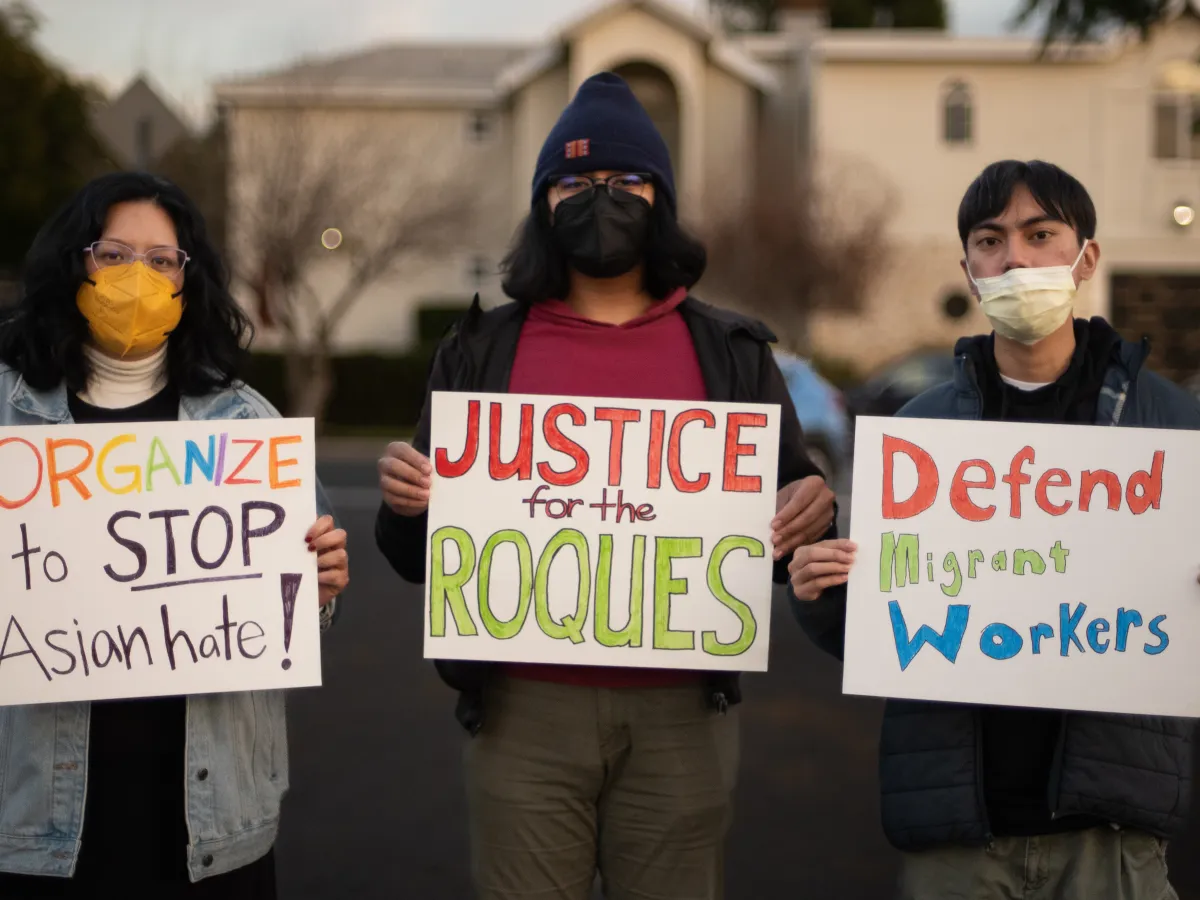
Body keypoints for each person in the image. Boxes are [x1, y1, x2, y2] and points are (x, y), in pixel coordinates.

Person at [375, 71, 835, 900]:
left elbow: (782, 531)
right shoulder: (481, 349)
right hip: (523, 709)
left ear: (661, 199)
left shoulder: (731, 351)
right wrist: (406, 502)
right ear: (542, 203)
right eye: (574, 183)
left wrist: (810, 509)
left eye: (626, 181)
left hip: (681, 718)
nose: (601, 198)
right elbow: (416, 552)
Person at [790, 159, 1200, 900]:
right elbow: (876, 629)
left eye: (1039, 234)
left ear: (1087, 257)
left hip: (1110, 831)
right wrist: (821, 587)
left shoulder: (1171, 426)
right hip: (957, 834)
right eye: (989, 241)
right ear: (969, 270)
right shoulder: (921, 435)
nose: (1014, 258)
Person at [0, 171, 350, 897]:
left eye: (162, 261)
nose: (139, 278)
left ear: (189, 281)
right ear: (76, 263)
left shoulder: (246, 424)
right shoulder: (8, 413)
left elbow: (298, 617)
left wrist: (317, 589)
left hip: (209, 825)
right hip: (33, 819)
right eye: (114, 254)